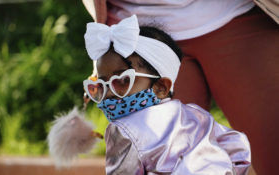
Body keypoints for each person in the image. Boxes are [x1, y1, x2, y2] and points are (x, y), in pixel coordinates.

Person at [82, 1, 279, 174]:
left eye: (122, 81)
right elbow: (236, 148)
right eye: (101, 85)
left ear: (162, 87)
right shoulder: (196, 120)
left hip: (237, 15)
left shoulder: (124, 132)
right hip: (133, 34)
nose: (109, 95)